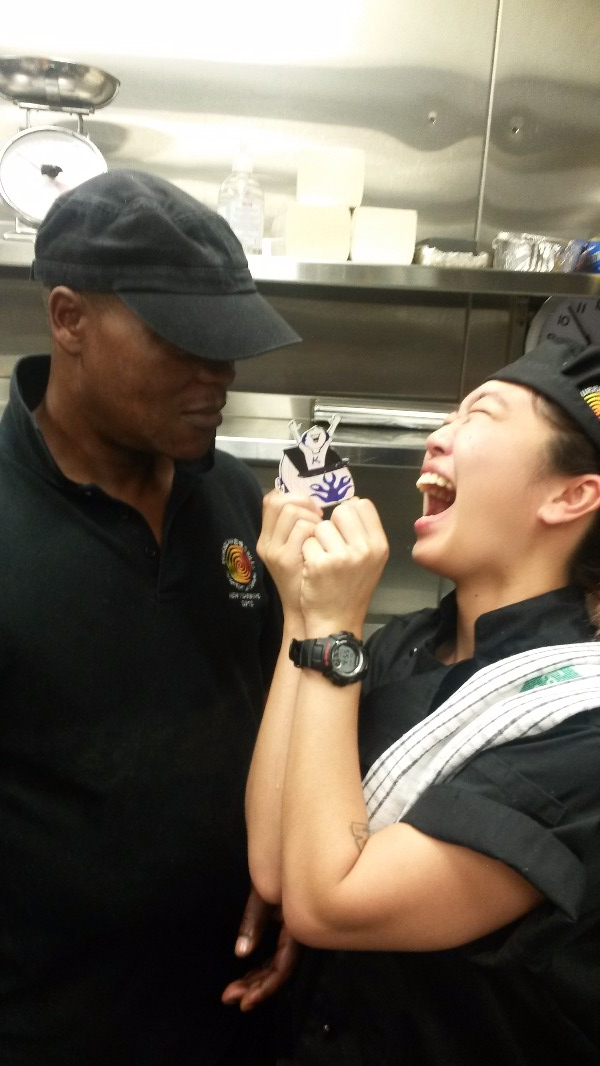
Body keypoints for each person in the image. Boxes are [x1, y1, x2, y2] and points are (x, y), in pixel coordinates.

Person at [0, 168, 302, 1065]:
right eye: (185, 343)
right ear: (69, 320)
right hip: (49, 1021)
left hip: (233, 1003)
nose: (221, 376)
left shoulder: (236, 498)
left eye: (229, 347)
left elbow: (277, 711)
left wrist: (296, 884)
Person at [247, 337, 600, 1065]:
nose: (437, 436)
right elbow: (276, 867)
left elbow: (327, 905)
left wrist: (334, 628)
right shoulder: (400, 645)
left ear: (571, 496)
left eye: (480, 415)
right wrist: (303, 614)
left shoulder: (579, 718)